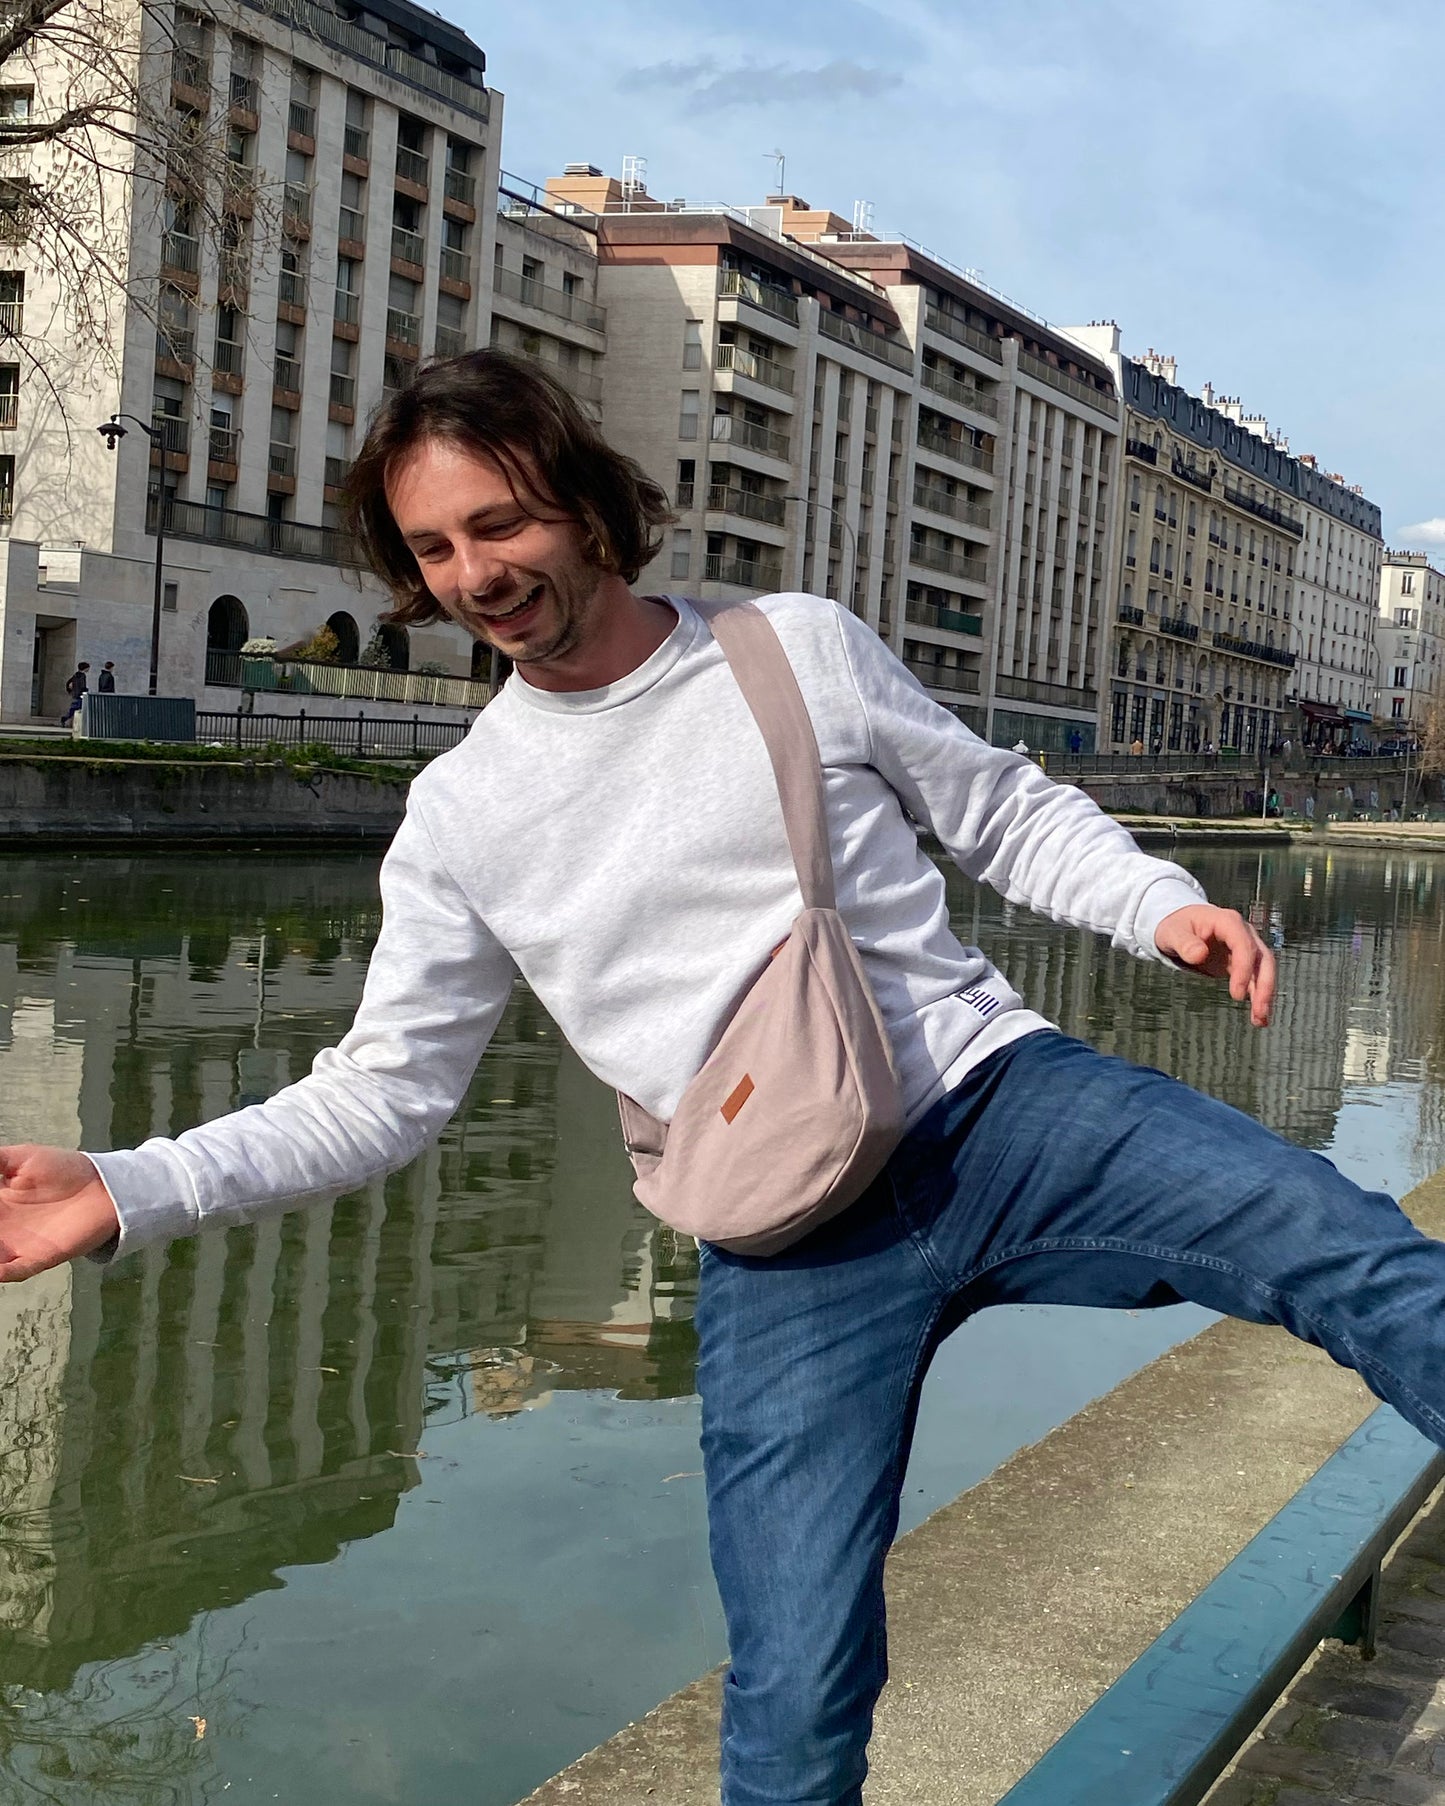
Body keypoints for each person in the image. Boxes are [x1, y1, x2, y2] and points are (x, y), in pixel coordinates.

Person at [3, 351, 1444, 1806]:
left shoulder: (793, 644)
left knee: (1353, 1258)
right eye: (434, 548)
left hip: (997, 1105)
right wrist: (129, 1182)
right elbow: (380, 1091)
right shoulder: (461, 815)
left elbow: (994, 810)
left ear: (581, 500)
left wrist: (1153, 904)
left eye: (498, 524)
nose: (473, 575)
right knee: (794, 1685)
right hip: (784, 1225)